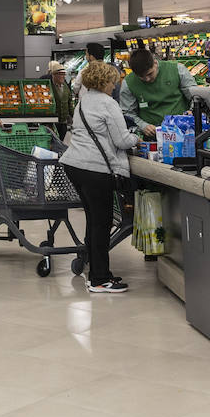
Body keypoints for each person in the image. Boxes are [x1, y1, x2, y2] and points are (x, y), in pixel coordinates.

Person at [61, 60, 141, 294]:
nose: (115, 85)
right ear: (106, 81)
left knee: (94, 221)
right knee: (101, 224)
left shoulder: (83, 101)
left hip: (75, 165)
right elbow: (122, 140)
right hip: (96, 169)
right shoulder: (108, 104)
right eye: (113, 81)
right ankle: (99, 279)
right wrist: (137, 137)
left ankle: (95, 272)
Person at [120, 48, 195, 137]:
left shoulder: (178, 70)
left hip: (182, 131)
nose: (147, 79)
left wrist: (191, 111)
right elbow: (128, 113)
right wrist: (143, 126)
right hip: (152, 135)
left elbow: (195, 96)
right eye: (141, 77)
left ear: (155, 63)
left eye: (150, 74)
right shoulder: (128, 83)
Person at [49, 60, 74, 140]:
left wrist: (73, 117)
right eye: (61, 74)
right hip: (53, 122)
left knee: (61, 140)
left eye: (64, 74)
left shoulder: (66, 87)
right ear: (54, 75)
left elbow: (70, 103)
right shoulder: (49, 87)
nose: (63, 77)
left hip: (63, 121)